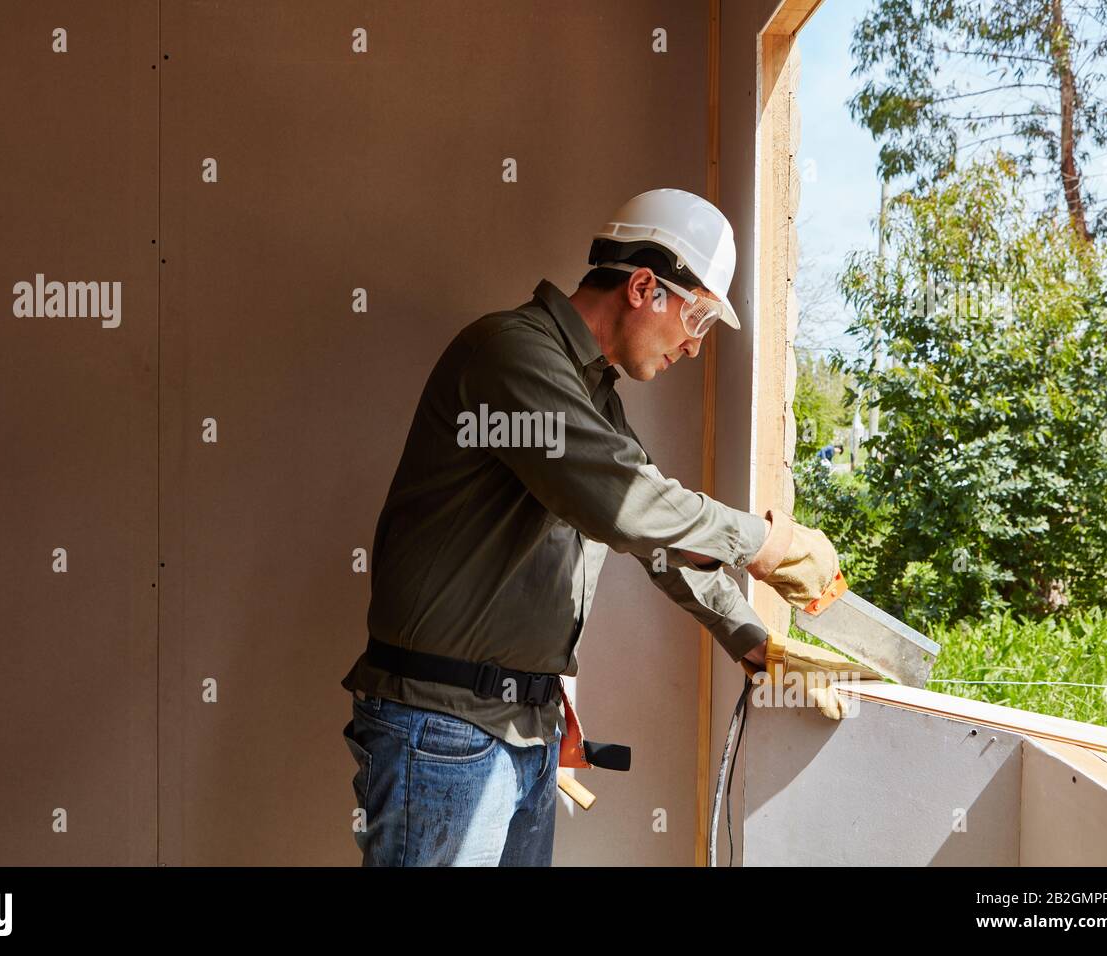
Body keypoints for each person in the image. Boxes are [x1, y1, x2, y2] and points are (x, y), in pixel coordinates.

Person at [339, 188, 842, 866]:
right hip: (445, 731)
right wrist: (767, 543)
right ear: (643, 287)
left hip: (524, 731)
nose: (694, 346)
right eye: (697, 316)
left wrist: (753, 644)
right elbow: (625, 506)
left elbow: (654, 531)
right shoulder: (508, 354)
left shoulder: (593, 393)